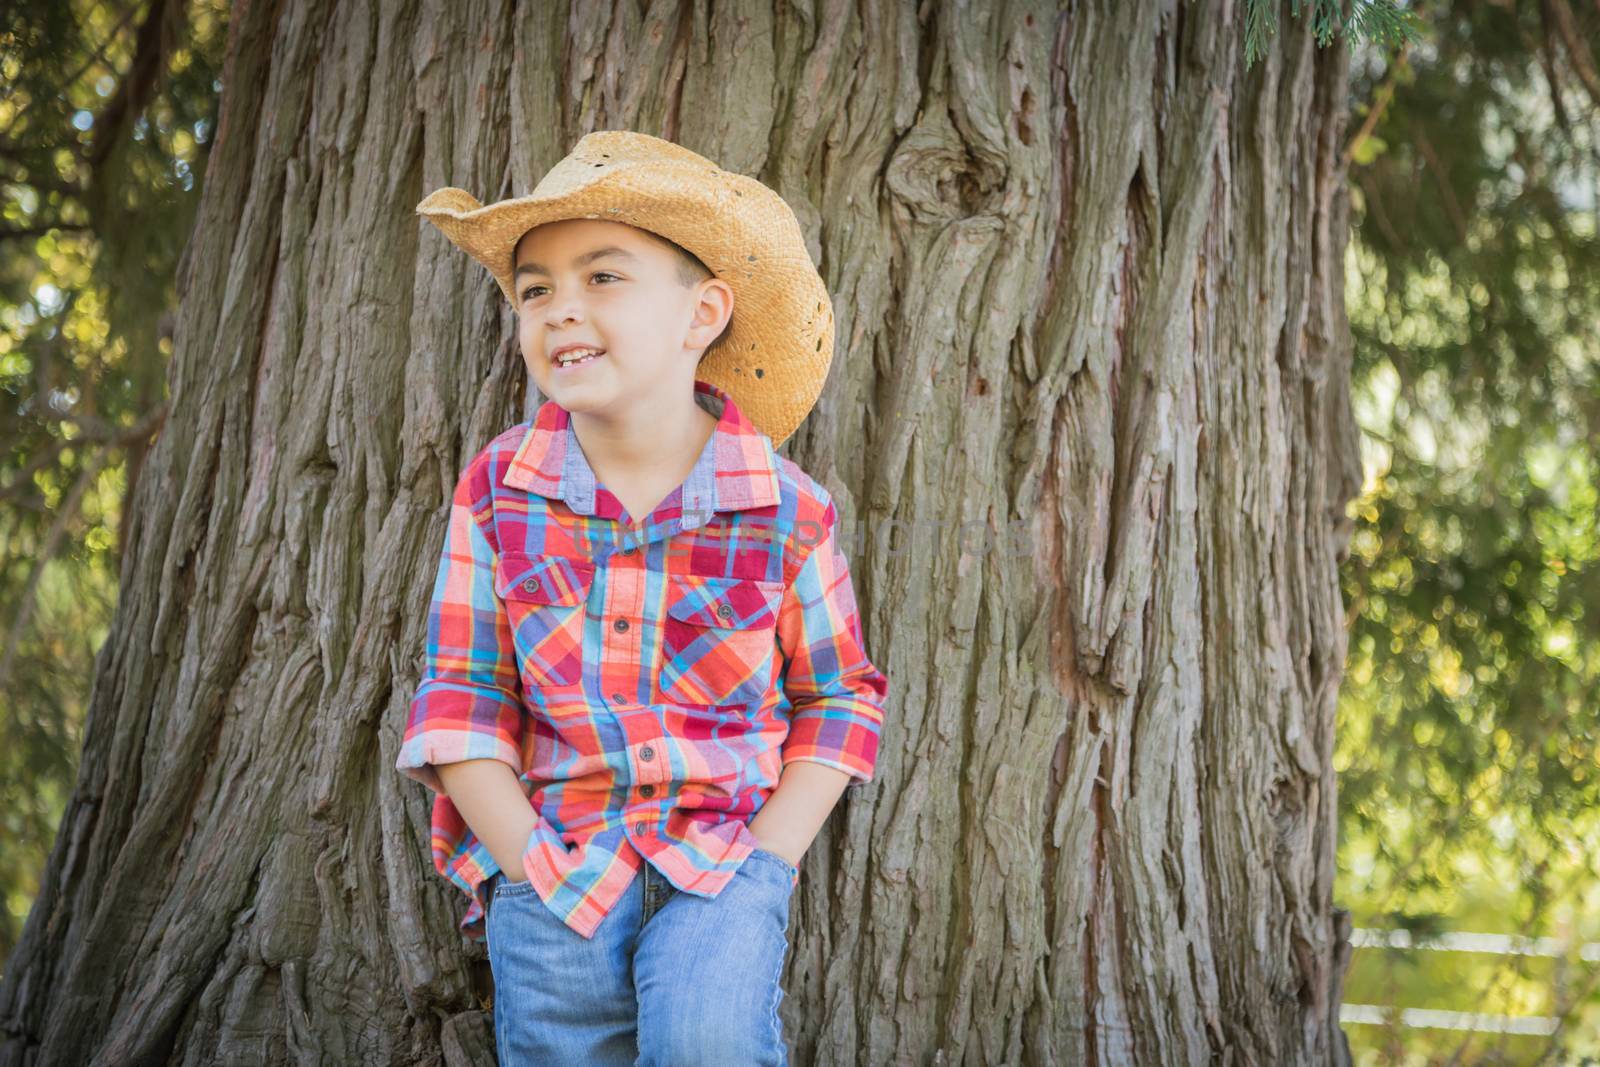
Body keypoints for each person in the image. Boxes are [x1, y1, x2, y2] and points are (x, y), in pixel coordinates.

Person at [393, 130, 890, 1066]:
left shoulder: (784, 509)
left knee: (708, 1043)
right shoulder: (502, 487)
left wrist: (765, 864)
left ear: (703, 312)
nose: (559, 308)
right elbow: (460, 693)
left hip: (720, 868)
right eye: (536, 288)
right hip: (558, 864)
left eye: (602, 277)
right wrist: (525, 861)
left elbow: (839, 695)